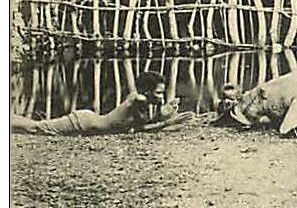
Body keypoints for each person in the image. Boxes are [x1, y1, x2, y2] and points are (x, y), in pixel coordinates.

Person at [11, 71, 182, 136]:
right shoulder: (139, 99)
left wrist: (163, 116)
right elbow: (140, 124)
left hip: (87, 121)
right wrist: (165, 119)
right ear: (146, 91)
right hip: (82, 123)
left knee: (38, 127)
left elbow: (140, 127)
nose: (161, 97)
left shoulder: (143, 106)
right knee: (36, 128)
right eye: (158, 93)